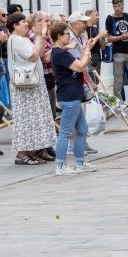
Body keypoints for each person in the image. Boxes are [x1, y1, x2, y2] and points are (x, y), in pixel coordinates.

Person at [50, 21, 106, 175]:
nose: (69, 36)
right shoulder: (60, 53)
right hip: (68, 97)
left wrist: (84, 49)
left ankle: (80, 163)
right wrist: (87, 49)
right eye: (67, 34)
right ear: (59, 36)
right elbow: (80, 66)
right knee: (65, 132)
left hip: (74, 95)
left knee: (82, 129)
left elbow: (78, 63)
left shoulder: (62, 52)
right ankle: (60, 166)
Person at [7, 12, 57, 165]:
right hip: (25, 85)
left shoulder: (21, 39)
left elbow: (40, 53)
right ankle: (22, 154)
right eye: (22, 22)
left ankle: (31, 151)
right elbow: (34, 56)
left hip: (32, 83)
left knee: (34, 117)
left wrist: (40, 36)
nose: (26, 24)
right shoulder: (16, 40)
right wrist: (39, 36)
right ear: (15, 26)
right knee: (26, 119)